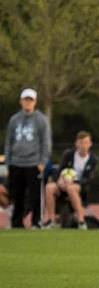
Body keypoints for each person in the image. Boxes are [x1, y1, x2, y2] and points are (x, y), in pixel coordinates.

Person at [4, 88, 51, 228]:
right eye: (25, 100)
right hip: (16, 163)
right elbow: (9, 141)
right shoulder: (14, 120)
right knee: (17, 196)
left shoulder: (41, 120)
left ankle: (36, 222)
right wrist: (8, 162)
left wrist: (42, 161)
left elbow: (45, 142)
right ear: (21, 101)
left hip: (34, 163)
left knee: (35, 196)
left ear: (35, 102)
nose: (28, 103)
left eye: (30, 100)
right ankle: (16, 222)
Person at [42, 131, 99, 229]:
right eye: (81, 143)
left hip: (79, 186)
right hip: (63, 183)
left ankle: (81, 221)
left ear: (90, 144)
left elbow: (89, 178)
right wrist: (59, 180)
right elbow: (59, 170)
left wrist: (74, 182)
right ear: (76, 143)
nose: (83, 145)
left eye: (86, 143)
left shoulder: (93, 159)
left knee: (71, 189)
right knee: (49, 187)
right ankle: (51, 220)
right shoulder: (68, 154)